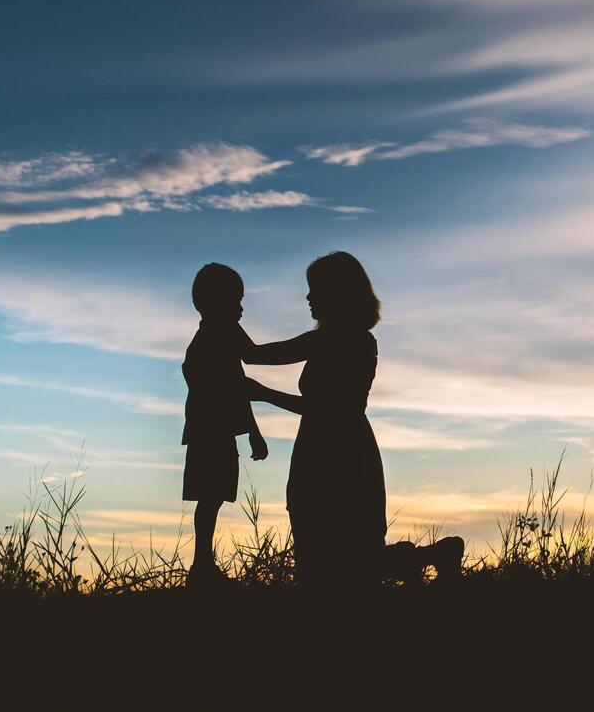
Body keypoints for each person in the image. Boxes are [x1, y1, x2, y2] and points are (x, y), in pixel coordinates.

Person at [242, 251, 462, 589]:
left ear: (337, 293)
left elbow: (327, 409)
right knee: (338, 562)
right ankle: (432, 556)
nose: (308, 297)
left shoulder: (345, 341)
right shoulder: (333, 339)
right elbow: (255, 356)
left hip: (341, 456)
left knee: (342, 564)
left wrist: (263, 393)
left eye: (315, 289)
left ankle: (431, 557)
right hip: (324, 450)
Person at [181, 262, 269, 587]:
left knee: (212, 497)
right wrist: (313, 343)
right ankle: (202, 567)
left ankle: (202, 566)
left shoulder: (215, 333)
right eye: (236, 299)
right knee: (210, 496)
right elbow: (253, 359)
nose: (241, 308)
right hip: (211, 430)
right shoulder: (221, 331)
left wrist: (253, 431)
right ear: (216, 301)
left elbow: (237, 383)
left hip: (213, 429)